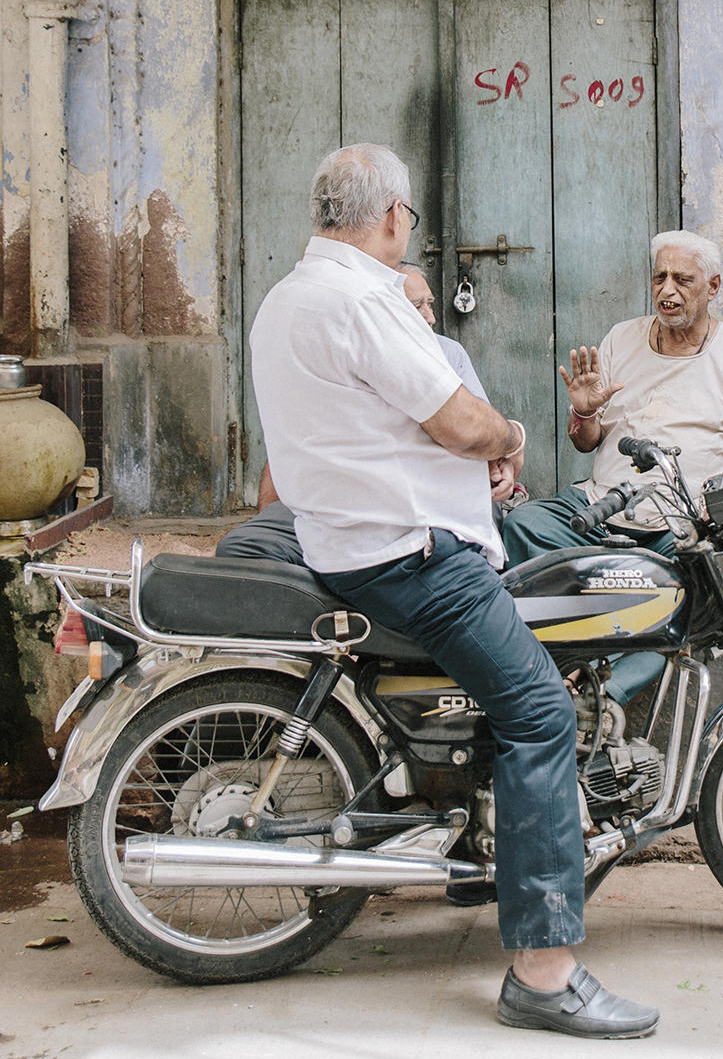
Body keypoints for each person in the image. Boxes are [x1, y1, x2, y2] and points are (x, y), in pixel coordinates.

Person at [249, 142, 656, 1039]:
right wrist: (510, 429)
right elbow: (463, 423)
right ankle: (544, 974)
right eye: (409, 219)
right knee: (543, 714)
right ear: (393, 216)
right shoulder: (367, 301)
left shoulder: (285, 299)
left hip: (349, 545)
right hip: (413, 559)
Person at [499, 229, 723, 564]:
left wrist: (721, 508)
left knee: (695, 566)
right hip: (603, 507)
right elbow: (585, 443)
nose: (667, 290)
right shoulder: (621, 338)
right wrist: (584, 412)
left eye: (682, 279)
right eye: (660, 277)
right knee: (523, 525)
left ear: (712, 287)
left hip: (684, 519)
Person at [222, 261, 511, 564]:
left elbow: (485, 441)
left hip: (425, 503)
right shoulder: (346, 348)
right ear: (389, 312)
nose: (430, 317)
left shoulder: (448, 353)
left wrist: (509, 449)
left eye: (430, 304)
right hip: (345, 503)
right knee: (243, 548)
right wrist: (271, 513)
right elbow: (297, 440)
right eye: (417, 307)